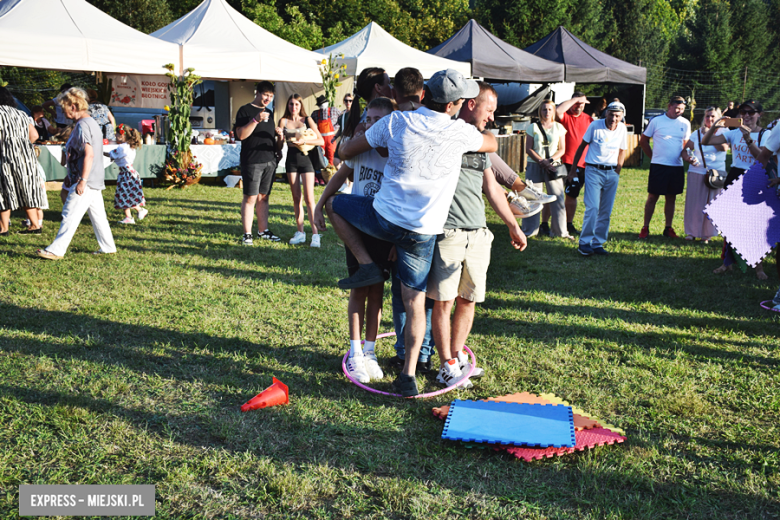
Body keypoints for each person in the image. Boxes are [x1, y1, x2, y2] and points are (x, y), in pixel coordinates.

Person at [321, 69, 497, 397]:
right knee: (414, 301)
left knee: (334, 203)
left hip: (383, 220)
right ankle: (408, 374)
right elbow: (492, 142)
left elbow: (345, 153)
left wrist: (365, 133)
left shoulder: (397, 122)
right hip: (423, 233)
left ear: (426, 95)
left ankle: (367, 263)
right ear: (453, 105)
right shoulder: (459, 132)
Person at [430, 82, 527, 388]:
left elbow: (492, 187)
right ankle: (445, 365)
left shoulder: (478, 141)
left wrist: (512, 224)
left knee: (468, 299)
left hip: (478, 233)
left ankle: (457, 356)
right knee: (444, 302)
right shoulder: (444, 133)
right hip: (448, 231)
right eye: (489, 109)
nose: (492, 117)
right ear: (471, 104)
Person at [314, 97, 397, 383]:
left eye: (378, 120)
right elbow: (340, 176)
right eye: (368, 119)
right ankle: (355, 353)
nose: (371, 125)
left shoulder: (397, 153)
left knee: (377, 292)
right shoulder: (360, 148)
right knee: (359, 289)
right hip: (358, 229)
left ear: (391, 123)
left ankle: (370, 350)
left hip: (383, 228)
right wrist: (318, 205)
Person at [37, 87, 116, 259]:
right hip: (89, 178)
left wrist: (82, 180)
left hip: (86, 179)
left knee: (69, 213)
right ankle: (108, 247)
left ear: (73, 106)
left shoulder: (83, 125)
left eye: (64, 108)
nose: (62, 113)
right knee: (98, 217)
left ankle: (56, 250)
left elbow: (89, 154)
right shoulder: (87, 123)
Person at [702, 100, 772, 279]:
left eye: (751, 112)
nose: (747, 116)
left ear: (759, 115)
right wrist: (716, 125)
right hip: (734, 176)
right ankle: (727, 263)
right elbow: (706, 140)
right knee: (731, 225)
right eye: (743, 112)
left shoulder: (766, 134)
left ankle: (758, 267)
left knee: (754, 226)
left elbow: (761, 159)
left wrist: (748, 138)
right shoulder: (733, 133)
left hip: (755, 178)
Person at [567, 101, 628, 256]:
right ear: (606, 113)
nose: (614, 118)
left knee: (605, 211)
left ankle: (598, 243)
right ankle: (584, 242)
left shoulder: (622, 128)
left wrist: (618, 170)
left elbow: (622, 150)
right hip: (593, 170)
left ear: (622, 117)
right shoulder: (595, 126)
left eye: (617, 116)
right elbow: (581, 147)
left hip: (611, 172)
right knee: (593, 207)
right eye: (611, 114)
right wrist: (573, 170)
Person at [234, 81, 282, 246]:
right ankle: (247, 234)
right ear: (257, 93)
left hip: (269, 160)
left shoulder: (269, 112)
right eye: (265, 95)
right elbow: (240, 135)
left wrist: (280, 137)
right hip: (252, 161)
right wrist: (255, 120)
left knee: (264, 197)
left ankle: (263, 231)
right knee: (250, 197)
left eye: (271, 96)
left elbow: (271, 139)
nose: (268, 99)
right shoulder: (245, 110)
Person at [639, 96, 692, 239]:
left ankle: (668, 228)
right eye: (676, 108)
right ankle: (645, 227)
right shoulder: (656, 121)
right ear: (669, 106)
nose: (679, 111)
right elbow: (643, 141)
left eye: (682, 109)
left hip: (676, 166)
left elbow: (686, 145)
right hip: (658, 166)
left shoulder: (685, 123)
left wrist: (688, 156)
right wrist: (653, 157)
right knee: (652, 197)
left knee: (671, 197)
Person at [275, 93, 324, 247]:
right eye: (291, 104)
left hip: (306, 159)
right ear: (287, 105)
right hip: (291, 160)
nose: (294, 107)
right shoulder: (283, 121)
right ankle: (300, 232)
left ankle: (315, 234)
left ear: (301, 105)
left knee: (310, 199)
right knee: (296, 198)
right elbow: (279, 146)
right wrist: (279, 137)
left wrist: (305, 140)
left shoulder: (307, 120)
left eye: (296, 104)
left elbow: (320, 140)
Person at [523, 99, 571, 239]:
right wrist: (541, 161)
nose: (547, 112)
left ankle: (560, 231)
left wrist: (549, 161)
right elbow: (529, 148)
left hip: (553, 166)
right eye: (544, 109)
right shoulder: (533, 127)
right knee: (532, 198)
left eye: (550, 109)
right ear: (540, 111)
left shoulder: (559, 128)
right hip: (534, 164)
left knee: (557, 198)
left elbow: (562, 149)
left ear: (554, 111)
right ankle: (530, 230)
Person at [0, 86, 45, 236]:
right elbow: (34, 135)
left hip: (5, 157)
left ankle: (3, 228)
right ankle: (34, 225)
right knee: (27, 190)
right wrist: (21, 145)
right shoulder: (21, 114)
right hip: (26, 158)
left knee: (3, 191)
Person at [682, 107, 728, 242]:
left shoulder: (725, 132)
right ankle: (691, 232)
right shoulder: (696, 133)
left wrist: (711, 133)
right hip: (697, 171)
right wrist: (688, 158)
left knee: (712, 204)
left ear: (719, 118)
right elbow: (686, 150)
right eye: (708, 116)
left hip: (716, 173)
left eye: (713, 117)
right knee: (694, 204)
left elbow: (724, 148)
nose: (710, 119)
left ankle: (706, 234)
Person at [556, 92, 593, 236]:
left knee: (572, 195)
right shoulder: (565, 116)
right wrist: (575, 99)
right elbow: (558, 111)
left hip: (581, 165)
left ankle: (568, 223)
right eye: (576, 104)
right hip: (563, 162)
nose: (578, 107)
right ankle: (547, 223)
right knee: (556, 194)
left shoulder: (589, 119)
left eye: (581, 104)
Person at [108, 124, 147, 224]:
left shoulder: (122, 147)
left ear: (122, 135)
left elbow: (112, 154)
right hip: (131, 173)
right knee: (129, 195)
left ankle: (129, 217)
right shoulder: (130, 146)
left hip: (126, 175)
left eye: (116, 134)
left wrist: (101, 151)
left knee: (124, 195)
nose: (115, 136)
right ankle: (140, 210)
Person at [311, 94, 339, 168]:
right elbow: (309, 124)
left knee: (331, 157)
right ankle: (322, 175)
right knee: (321, 157)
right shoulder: (315, 113)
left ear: (327, 102)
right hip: (320, 139)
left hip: (331, 139)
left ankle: (332, 175)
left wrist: (335, 128)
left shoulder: (334, 110)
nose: (322, 106)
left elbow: (342, 119)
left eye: (322, 104)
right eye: (320, 104)